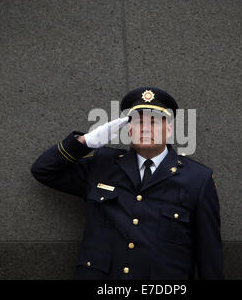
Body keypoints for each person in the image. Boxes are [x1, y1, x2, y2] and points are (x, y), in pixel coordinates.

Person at [30, 87, 223, 279]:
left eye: (154, 122)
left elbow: (209, 255)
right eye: (138, 122)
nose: (145, 128)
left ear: (169, 129)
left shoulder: (197, 178)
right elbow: (44, 171)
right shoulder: (103, 165)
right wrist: (85, 142)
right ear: (128, 129)